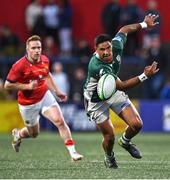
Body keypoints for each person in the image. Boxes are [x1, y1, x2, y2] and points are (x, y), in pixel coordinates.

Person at [83, 14, 159, 168]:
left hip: (112, 88)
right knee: (109, 136)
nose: (106, 52)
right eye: (101, 50)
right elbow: (122, 85)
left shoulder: (117, 45)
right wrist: (145, 75)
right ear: (96, 50)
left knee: (136, 125)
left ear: (112, 45)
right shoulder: (96, 65)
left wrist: (144, 24)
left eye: (108, 48)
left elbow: (124, 29)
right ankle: (109, 156)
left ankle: (125, 141)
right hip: (96, 98)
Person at [4, 35, 83, 161]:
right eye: (34, 48)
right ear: (27, 49)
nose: (37, 50)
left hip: (44, 95)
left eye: (39, 47)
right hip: (28, 103)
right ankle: (18, 134)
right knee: (34, 133)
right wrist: (27, 86)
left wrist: (57, 91)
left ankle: (73, 152)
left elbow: (47, 75)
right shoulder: (19, 66)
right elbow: (7, 85)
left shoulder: (45, 60)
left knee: (60, 121)